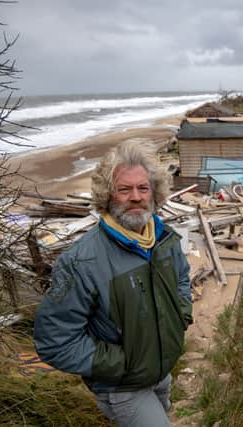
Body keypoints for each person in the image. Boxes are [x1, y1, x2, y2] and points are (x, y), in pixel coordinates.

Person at [34, 141, 192, 427]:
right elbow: (54, 342)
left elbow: (182, 280)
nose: (135, 197)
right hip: (124, 387)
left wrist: (180, 318)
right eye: (124, 189)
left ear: (154, 193)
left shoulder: (165, 240)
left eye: (143, 188)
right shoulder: (81, 261)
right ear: (108, 196)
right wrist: (125, 362)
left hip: (161, 371)